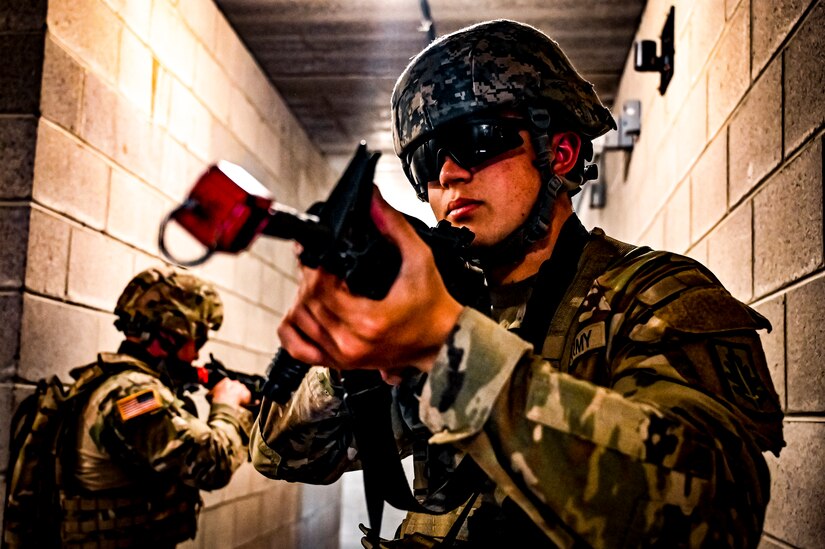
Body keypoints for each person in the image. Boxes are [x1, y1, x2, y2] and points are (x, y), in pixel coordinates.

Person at [251, 20, 785, 548]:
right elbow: (282, 454)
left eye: (478, 139)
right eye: (427, 159)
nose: (450, 174)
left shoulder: (653, 297)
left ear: (561, 153)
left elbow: (716, 514)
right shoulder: (446, 305)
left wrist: (449, 350)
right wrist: (350, 356)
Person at [56, 267, 252, 546]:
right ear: (169, 336)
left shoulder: (124, 385)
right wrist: (228, 405)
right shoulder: (133, 396)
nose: (197, 354)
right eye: (197, 341)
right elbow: (210, 465)